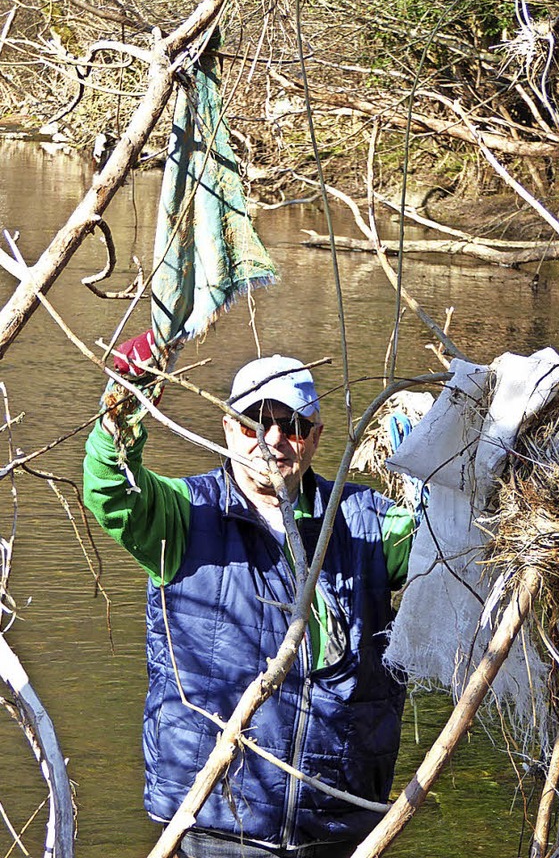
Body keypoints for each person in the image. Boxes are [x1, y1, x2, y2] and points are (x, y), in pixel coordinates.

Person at [83, 339, 414, 858]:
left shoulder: (365, 519)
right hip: (211, 822)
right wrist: (122, 408)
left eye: (294, 424)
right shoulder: (182, 515)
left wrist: (437, 477)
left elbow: (444, 551)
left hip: (338, 826)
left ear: (316, 438)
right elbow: (112, 489)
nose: (274, 439)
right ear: (227, 428)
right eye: (256, 420)